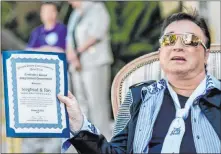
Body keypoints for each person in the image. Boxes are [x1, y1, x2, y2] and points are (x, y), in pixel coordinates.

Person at [58, 11, 221, 153]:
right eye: (169, 40)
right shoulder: (138, 96)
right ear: (160, 53)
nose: (177, 47)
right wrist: (79, 124)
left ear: (206, 55)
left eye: (189, 39)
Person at [22, 2, 67, 153]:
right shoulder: (37, 32)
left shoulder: (62, 30)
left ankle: (54, 146)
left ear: (55, 13)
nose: (47, 14)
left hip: (58, 77)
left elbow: (64, 51)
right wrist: (49, 49)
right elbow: (29, 52)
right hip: (39, 78)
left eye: (50, 11)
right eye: (44, 11)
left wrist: (43, 50)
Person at [66, 1, 114, 138]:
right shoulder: (75, 13)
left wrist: (77, 52)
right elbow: (70, 36)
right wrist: (72, 55)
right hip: (77, 65)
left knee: (97, 103)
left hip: (95, 63)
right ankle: (87, 141)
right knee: (81, 104)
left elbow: (97, 33)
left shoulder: (97, 8)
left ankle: (104, 141)